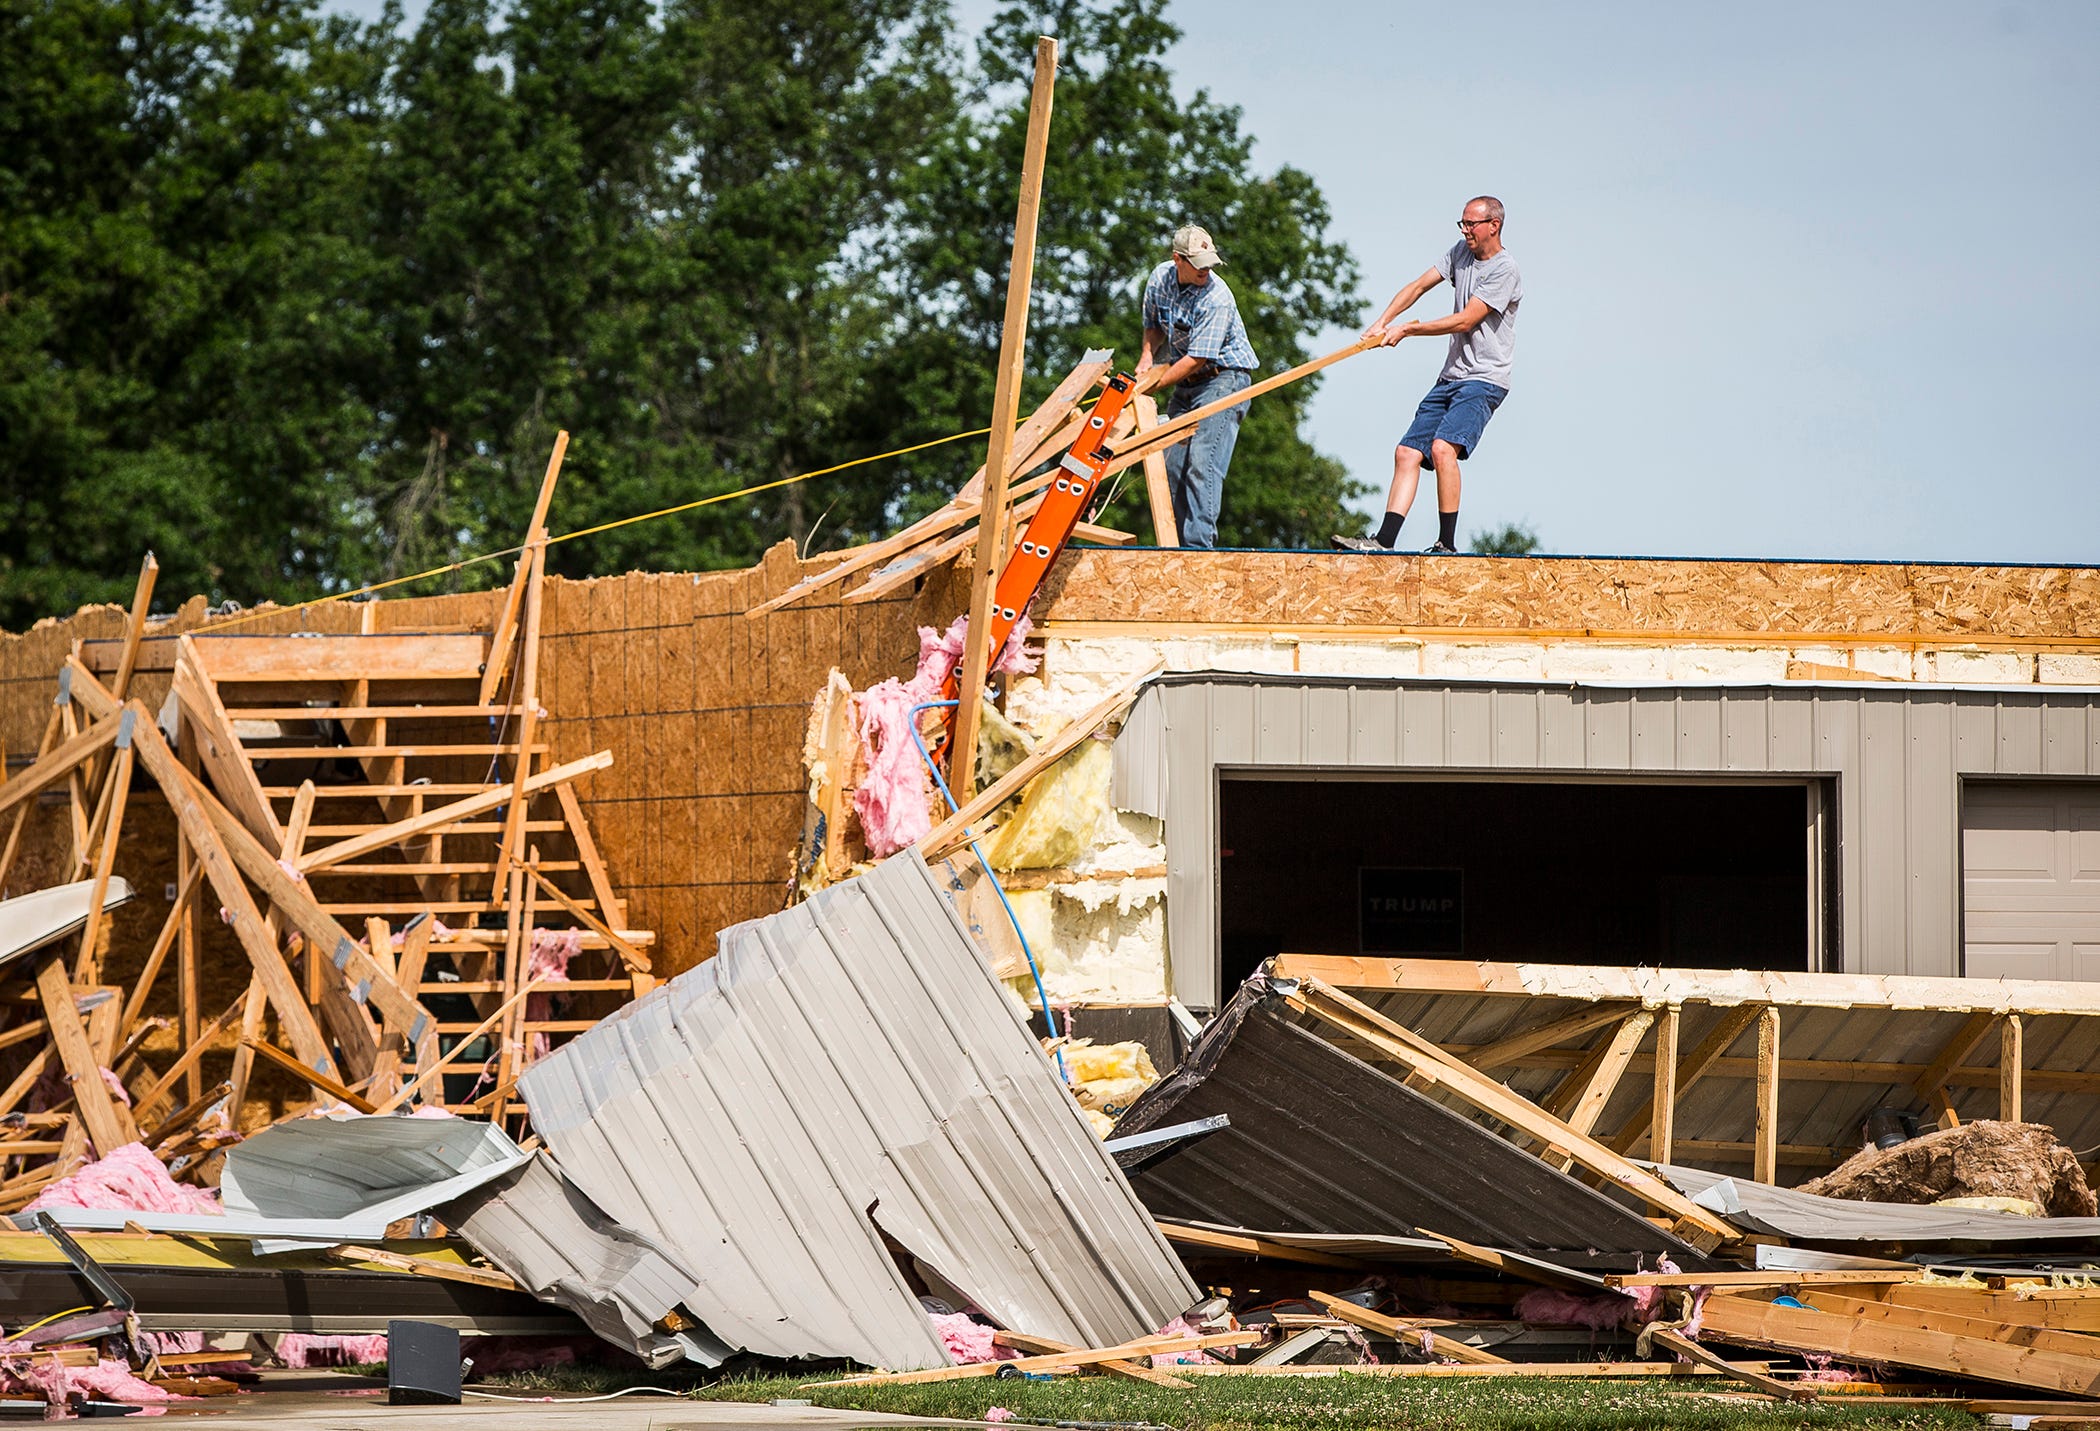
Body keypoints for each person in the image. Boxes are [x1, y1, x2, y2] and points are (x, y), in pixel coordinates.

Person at [1336, 196, 1522, 555]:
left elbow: (1467, 319)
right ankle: (1382, 542)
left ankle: (1446, 545)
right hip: (1451, 376)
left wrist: (1407, 330)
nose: (1465, 230)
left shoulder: (1505, 270)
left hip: (1484, 379)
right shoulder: (1460, 253)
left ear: (1493, 226)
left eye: (1472, 224)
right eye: (1462, 224)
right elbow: (1418, 285)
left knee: (1441, 449)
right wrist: (1382, 321)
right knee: (1407, 452)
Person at [1137, 224, 1258, 549]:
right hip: (1186, 385)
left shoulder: (1216, 298)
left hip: (1224, 379)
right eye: (1198, 263)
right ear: (1178, 259)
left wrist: (1150, 386)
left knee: (1203, 463)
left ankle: (1197, 551)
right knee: (1172, 466)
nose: (1206, 269)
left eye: (1209, 262)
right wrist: (1146, 358)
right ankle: (1172, 548)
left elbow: (1197, 359)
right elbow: (1153, 326)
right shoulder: (1159, 280)